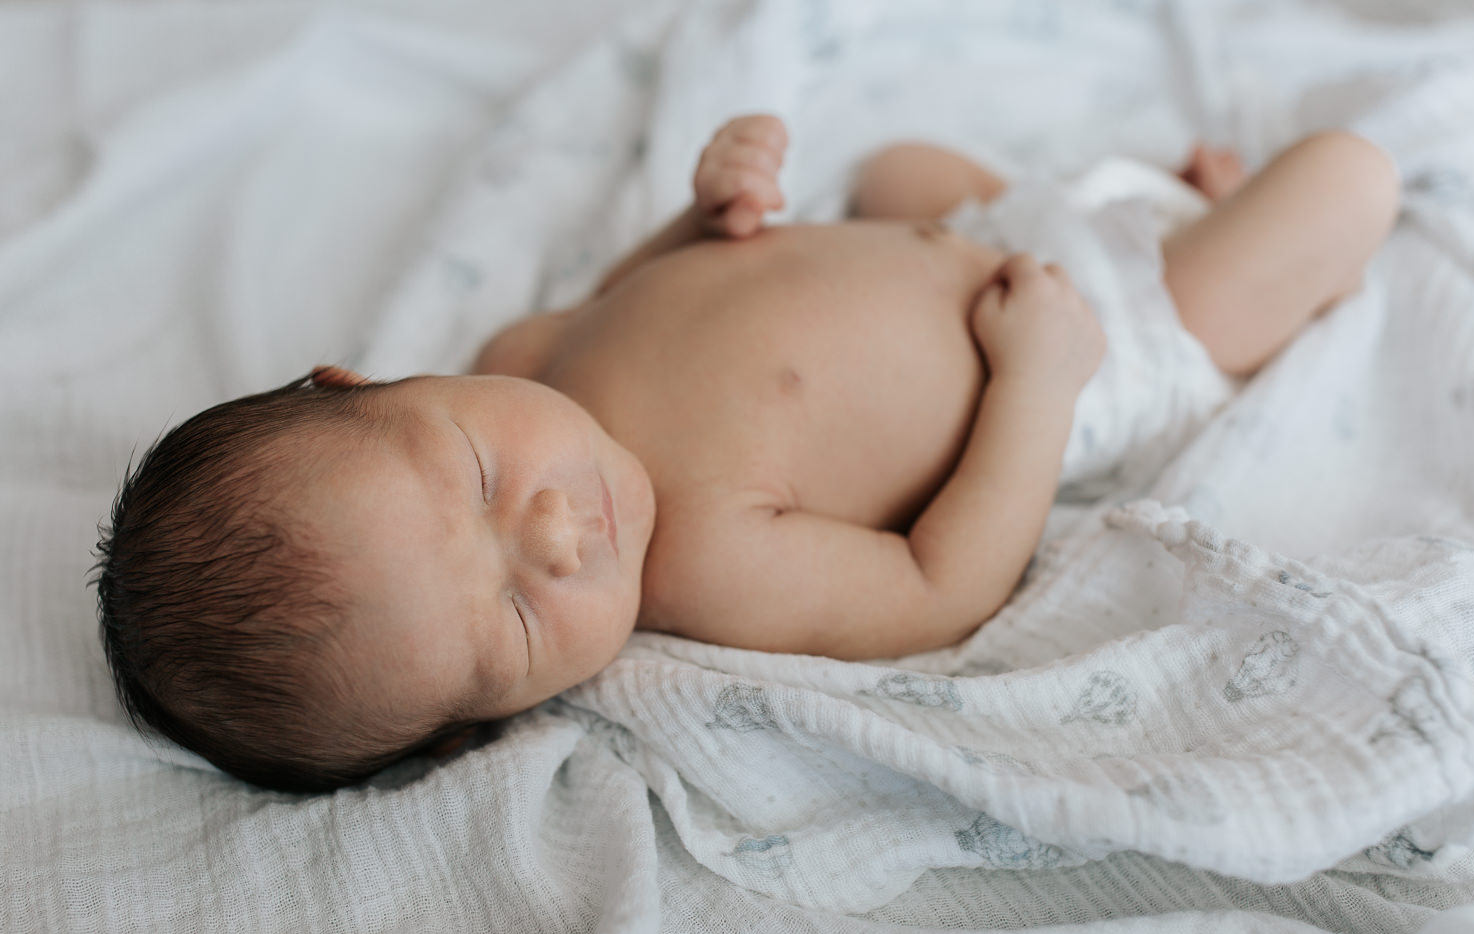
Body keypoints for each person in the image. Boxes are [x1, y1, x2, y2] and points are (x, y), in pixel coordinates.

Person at [94, 114, 1400, 791]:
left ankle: (1171, 204)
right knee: (1351, 180)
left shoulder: (525, 342)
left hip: (985, 227)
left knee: (896, 165)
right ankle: (1233, 251)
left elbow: (653, 291)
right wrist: (1040, 382)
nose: (556, 535)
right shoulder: (707, 563)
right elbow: (944, 584)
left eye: (484, 482)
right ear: (476, 729)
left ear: (364, 380)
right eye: (512, 616)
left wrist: (707, 210)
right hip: (1110, 336)